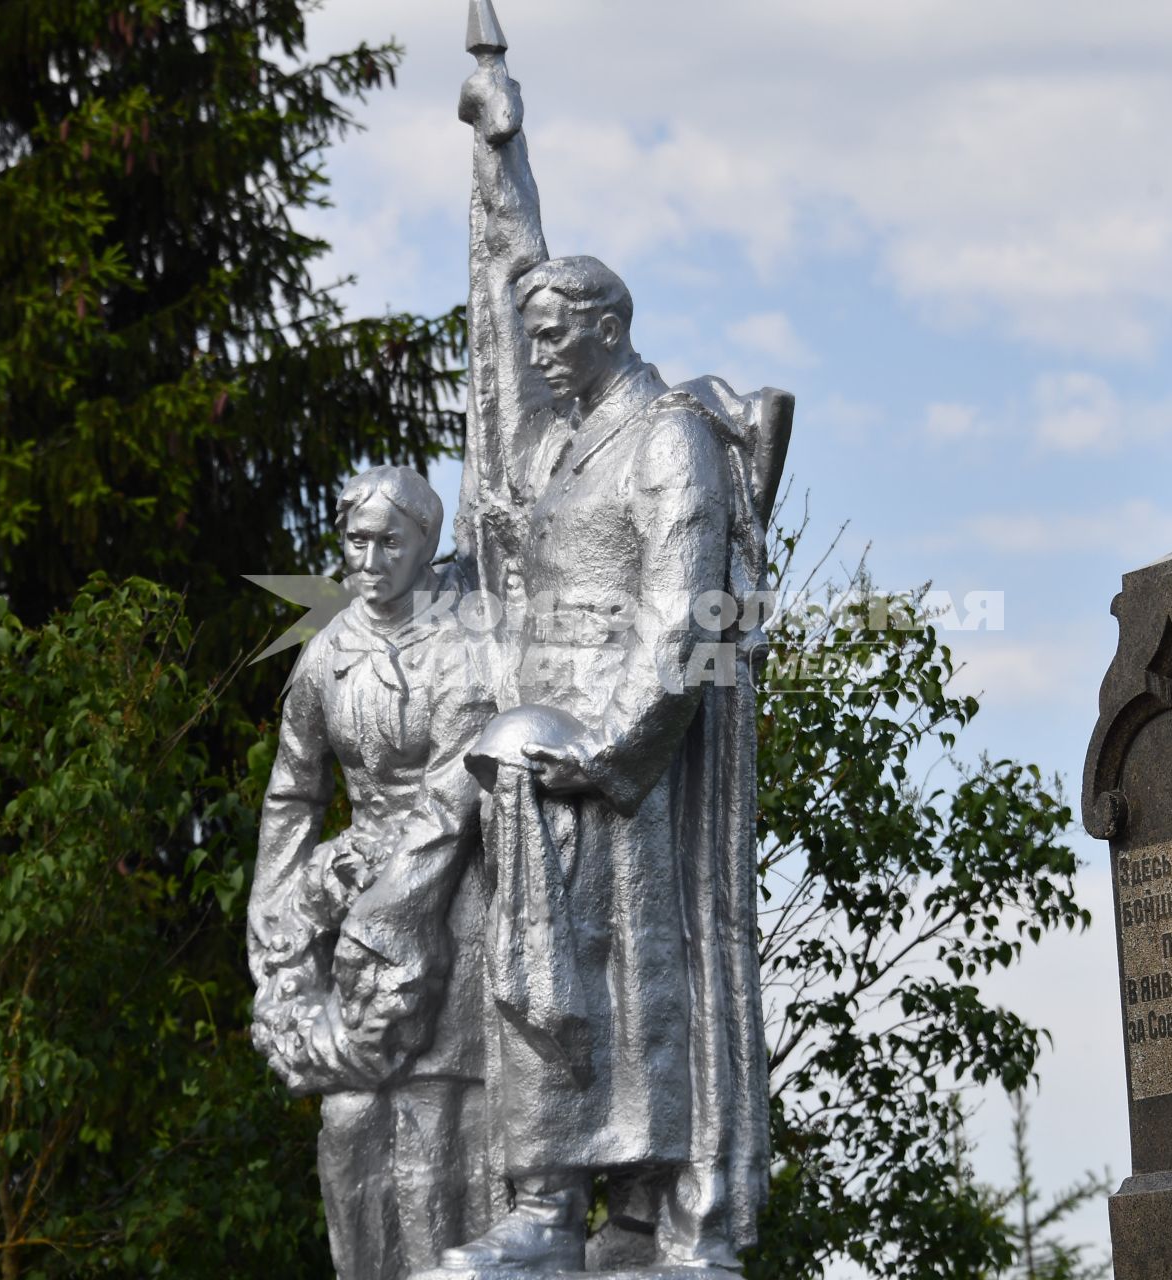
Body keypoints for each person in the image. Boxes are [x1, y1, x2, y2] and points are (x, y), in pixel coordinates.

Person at [440, 53, 772, 1275]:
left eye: (551, 334)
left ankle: (645, 1205)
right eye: (530, 335)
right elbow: (496, 305)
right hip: (543, 749)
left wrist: (611, 745)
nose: (533, 354)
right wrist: (501, 160)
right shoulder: (558, 440)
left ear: (608, 326)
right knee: (535, 982)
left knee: (631, 987)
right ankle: (545, 1206)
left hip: (624, 763)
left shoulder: (667, 439)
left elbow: (690, 617)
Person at [249, 466, 499, 1280]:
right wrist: (277, 932)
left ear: (425, 548)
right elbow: (293, 793)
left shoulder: (462, 651)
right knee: (349, 1120)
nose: (368, 557)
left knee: (435, 1121)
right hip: (350, 897)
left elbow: (454, 790)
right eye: (357, 539)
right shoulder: (325, 653)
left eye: (390, 541)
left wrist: (395, 906)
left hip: (446, 896)